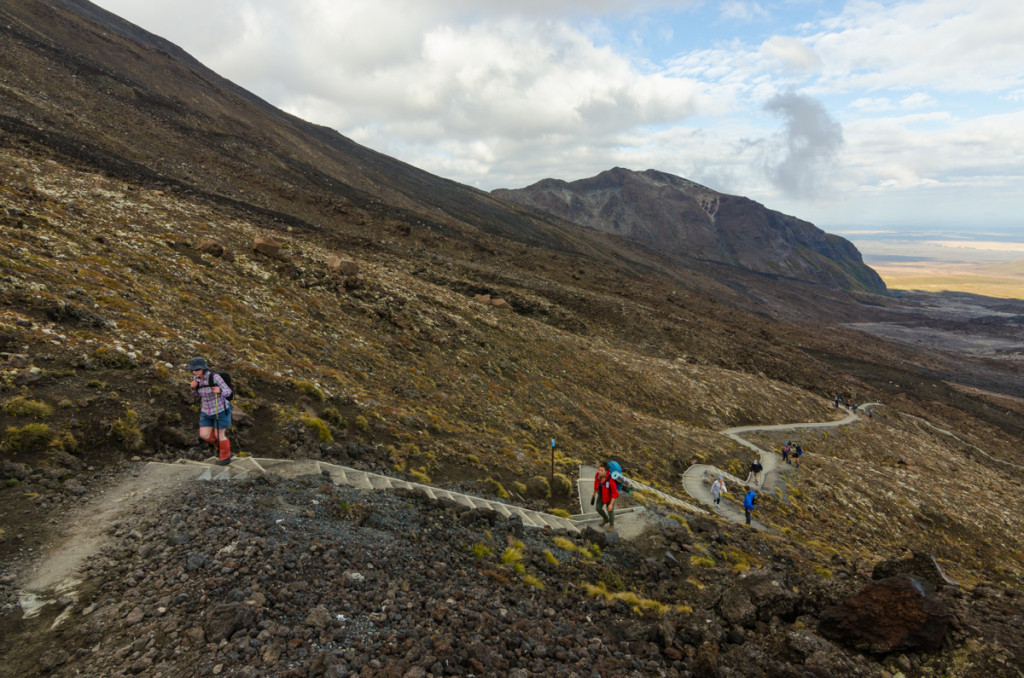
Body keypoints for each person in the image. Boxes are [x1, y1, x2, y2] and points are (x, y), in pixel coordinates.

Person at [189, 357, 233, 466]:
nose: (195, 372)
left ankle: (225, 456)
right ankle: (220, 446)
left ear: (203, 369)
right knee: (204, 435)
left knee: (219, 434)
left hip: (220, 410)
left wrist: (220, 391)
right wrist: (192, 388)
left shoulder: (215, 377)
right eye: (193, 370)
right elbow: (196, 394)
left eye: (197, 370)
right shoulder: (196, 379)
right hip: (206, 411)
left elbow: (228, 391)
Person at [591, 462, 619, 530]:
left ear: (606, 471)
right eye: (599, 469)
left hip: (609, 497)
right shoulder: (598, 475)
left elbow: (615, 493)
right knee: (598, 508)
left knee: (610, 510)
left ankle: (611, 525)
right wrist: (594, 493)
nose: (599, 471)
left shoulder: (610, 480)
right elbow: (596, 482)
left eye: (601, 470)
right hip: (601, 494)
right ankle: (606, 519)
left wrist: (611, 504)